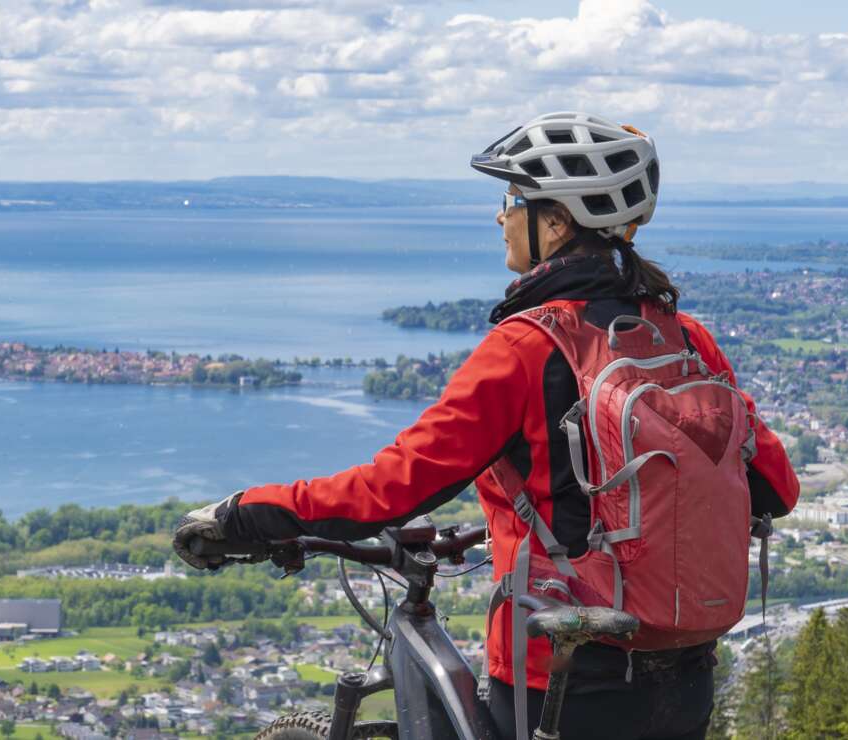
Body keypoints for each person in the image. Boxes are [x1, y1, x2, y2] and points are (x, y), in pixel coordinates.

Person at [173, 111, 799, 738]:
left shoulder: (528, 346)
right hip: (682, 672)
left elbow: (393, 486)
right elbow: (776, 486)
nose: (501, 217)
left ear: (555, 222)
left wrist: (248, 512)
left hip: (560, 678)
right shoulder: (686, 339)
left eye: (512, 199)